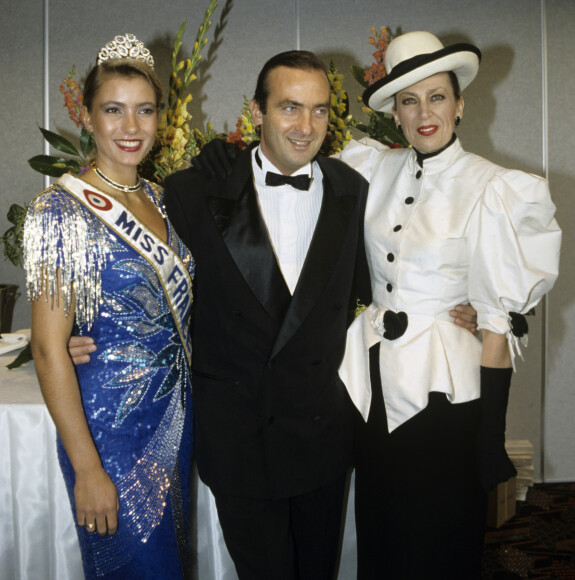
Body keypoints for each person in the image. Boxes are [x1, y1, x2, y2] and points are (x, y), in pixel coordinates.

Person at [68, 49, 478, 579]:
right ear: (256, 113)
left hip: (322, 433)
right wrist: (75, 334)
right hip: (240, 437)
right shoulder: (193, 191)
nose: (306, 126)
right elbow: (137, 282)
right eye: (289, 107)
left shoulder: (354, 190)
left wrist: (461, 305)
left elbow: (394, 269)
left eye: (320, 110)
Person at [335, 31, 561, 578]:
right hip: (370, 389)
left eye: (436, 96)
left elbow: (496, 324)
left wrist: (490, 438)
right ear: (395, 112)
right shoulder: (370, 167)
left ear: (460, 104)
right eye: (409, 101)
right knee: (380, 535)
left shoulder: (494, 188)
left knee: (437, 540)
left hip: (443, 399)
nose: (424, 112)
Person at [24, 34, 195, 579]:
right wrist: (87, 468)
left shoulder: (167, 200)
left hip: (174, 420)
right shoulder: (59, 211)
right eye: (113, 110)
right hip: (109, 430)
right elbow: (50, 349)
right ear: (89, 119)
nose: (131, 127)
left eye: (144, 111)